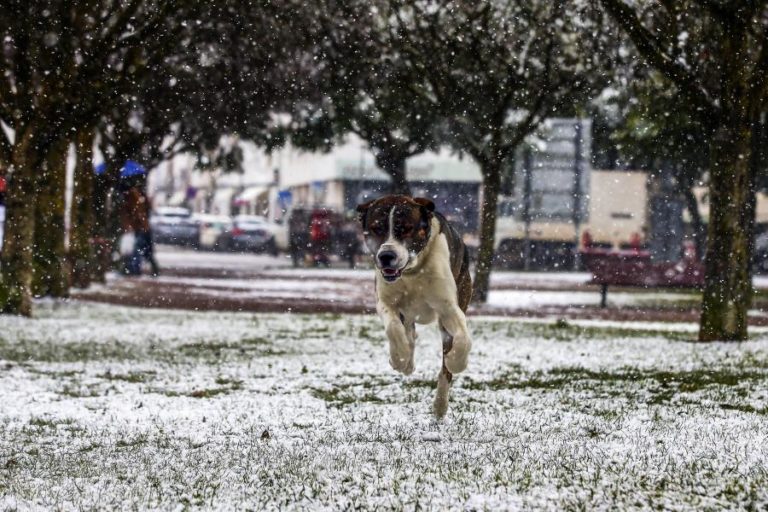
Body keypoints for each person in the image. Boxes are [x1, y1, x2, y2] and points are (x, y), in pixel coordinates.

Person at [120, 186, 159, 276]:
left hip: (142, 229)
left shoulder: (137, 199)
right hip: (140, 229)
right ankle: (135, 269)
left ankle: (135, 269)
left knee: (140, 250)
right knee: (142, 251)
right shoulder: (133, 200)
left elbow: (141, 213)